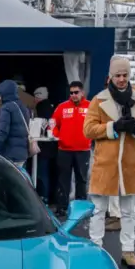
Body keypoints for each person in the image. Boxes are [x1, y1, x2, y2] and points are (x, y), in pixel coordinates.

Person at [83, 56, 135, 269]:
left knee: (129, 212)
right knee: (98, 211)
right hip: (105, 164)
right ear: (110, 77)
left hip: (129, 165)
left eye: (125, 75)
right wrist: (113, 127)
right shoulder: (98, 100)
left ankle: (128, 251)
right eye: (118, 75)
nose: (122, 79)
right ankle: (95, 248)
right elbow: (88, 129)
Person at [51, 80, 91, 217]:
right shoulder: (62, 107)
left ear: (82, 93)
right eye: (71, 93)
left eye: (76, 92)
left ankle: (81, 209)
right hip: (65, 150)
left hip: (83, 150)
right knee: (63, 180)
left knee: (82, 180)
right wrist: (58, 135)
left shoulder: (90, 107)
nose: (73, 95)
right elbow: (53, 123)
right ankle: (62, 207)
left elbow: (97, 124)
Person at [0, 79, 31, 169]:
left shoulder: (6, 108)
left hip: (10, 154)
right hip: (22, 153)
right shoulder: (22, 106)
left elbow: (2, 133)